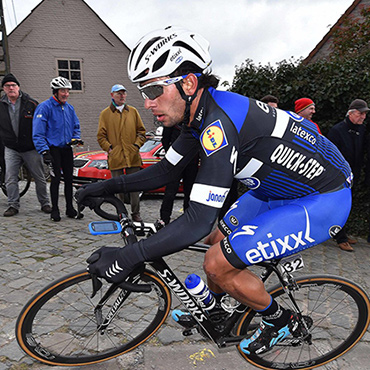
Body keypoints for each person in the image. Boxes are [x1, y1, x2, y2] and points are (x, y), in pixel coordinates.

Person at [76, 26, 352, 356]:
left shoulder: (219, 124)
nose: (147, 103)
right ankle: (216, 308)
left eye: (152, 90)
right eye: (142, 91)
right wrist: (105, 185)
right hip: (273, 191)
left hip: (323, 199)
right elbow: (166, 171)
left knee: (217, 262)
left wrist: (128, 257)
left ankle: (280, 319)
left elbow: (197, 220)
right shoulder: (198, 115)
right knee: (217, 240)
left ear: (188, 83)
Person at [0, 73, 51, 217]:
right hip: (11, 148)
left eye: (13, 85)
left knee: (39, 177)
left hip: (30, 147)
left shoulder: (32, 103)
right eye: (7, 86)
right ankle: (13, 205)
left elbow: (42, 125)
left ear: (18, 87)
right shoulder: (1, 105)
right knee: (10, 178)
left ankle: (45, 203)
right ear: (4, 89)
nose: (11, 88)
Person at [33, 77, 82, 222]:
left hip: (66, 148)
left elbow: (76, 126)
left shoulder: (69, 108)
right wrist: (44, 151)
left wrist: (75, 138)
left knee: (69, 179)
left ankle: (69, 207)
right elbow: (38, 132)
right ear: (55, 91)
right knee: (55, 180)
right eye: (62, 91)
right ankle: (55, 209)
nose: (65, 94)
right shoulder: (44, 107)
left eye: (67, 91)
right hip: (52, 149)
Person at [97, 84, 146, 222]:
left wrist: (136, 146)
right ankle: (122, 214)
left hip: (132, 155)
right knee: (117, 187)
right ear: (112, 95)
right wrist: (110, 149)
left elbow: (141, 132)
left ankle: (136, 213)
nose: (122, 96)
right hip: (116, 156)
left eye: (124, 93)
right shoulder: (105, 114)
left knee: (135, 186)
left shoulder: (133, 112)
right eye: (119, 93)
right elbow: (101, 136)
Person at [327, 99, 370, 251]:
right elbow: (329, 155)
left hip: (354, 174)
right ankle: (340, 237)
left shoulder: (362, 130)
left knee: (347, 205)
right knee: (339, 206)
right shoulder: (337, 130)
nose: (363, 117)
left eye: (365, 114)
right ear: (351, 113)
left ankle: (341, 232)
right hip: (338, 176)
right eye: (360, 114)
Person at [156, 124, 198, 226]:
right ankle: (164, 219)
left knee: (190, 193)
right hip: (175, 162)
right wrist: (170, 155)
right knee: (170, 192)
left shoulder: (195, 122)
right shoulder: (173, 121)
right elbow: (165, 139)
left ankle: (188, 219)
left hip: (191, 161)